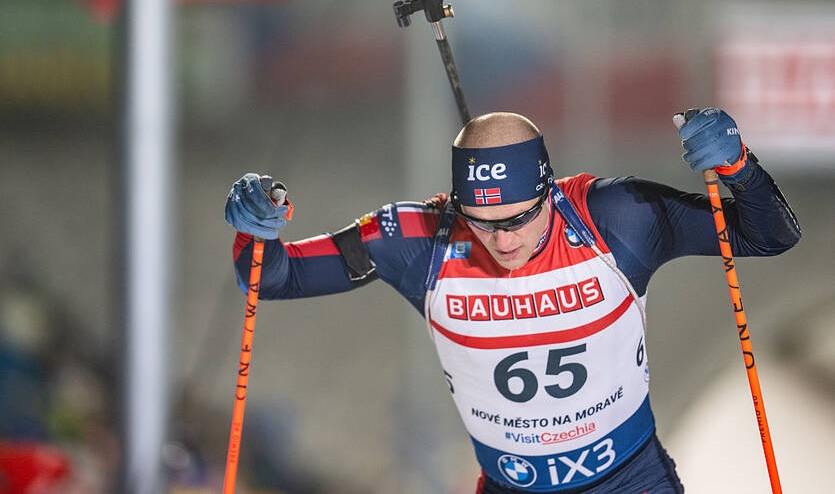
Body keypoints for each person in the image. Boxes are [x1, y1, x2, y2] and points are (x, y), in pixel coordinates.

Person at [224, 109, 801, 493]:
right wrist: (256, 230)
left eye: (520, 218)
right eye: (482, 221)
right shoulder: (418, 240)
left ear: (549, 188)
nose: (503, 241)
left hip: (628, 482)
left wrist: (737, 167)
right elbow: (274, 278)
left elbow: (769, 235)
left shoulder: (615, 217)